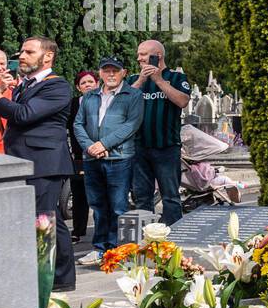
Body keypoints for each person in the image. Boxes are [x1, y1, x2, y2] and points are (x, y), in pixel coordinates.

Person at [0, 37, 76, 291]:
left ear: (48, 57)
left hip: (44, 162)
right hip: (23, 160)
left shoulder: (56, 86)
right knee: (41, 218)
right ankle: (45, 274)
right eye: (21, 51)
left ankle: (58, 278)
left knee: (45, 219)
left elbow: (24, 115)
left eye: (29, 51)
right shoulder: (25, 85)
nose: (22, 55)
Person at [73, 58, 144, 266]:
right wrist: (90, 147)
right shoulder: (90, 96)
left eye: (115, 71)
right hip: (92, 158)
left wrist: (103, 144)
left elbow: (131, 125)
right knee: (98, 205)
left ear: (124, 72)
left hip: (119, 158)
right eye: (106, 71)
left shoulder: (133, 95)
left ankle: (115, 249)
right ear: (100, 73)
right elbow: (78, 124)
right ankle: (99, 248)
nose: (111, 74)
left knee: (118, 206)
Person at [131, 39, 190, 227]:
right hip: (140, 148)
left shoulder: (177, 78)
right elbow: (120, 104)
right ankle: (145, 242)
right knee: (142, 198)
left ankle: (174, 240)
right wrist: (142, 80)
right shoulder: (134, 79)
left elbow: (182, 101)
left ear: (158, 56)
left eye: (143, 54)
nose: (138, 57)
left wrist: (158, 80)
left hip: (167, 148)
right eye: (138, 54)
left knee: (171, 197)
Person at [68, 70, 98, 242]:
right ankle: (78, 231)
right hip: (79, 156)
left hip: (102, 154)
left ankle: (102, 232)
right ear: (78, 88)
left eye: (90, 82)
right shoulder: (72, 104)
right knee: (79, 194)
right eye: (83, 83)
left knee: (100, 196)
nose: (87, 85)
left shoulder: (105, 102)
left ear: (97, 84)